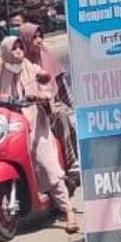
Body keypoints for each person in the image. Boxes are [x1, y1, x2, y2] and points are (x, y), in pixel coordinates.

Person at [0, 37, 79, 234]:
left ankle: (68, 210)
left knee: (45, 162)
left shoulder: (31, 68)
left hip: (35, 124)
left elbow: (47, 89)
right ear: (6, 51)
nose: (18, 51)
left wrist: (43, 96)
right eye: (13, 48)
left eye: (20, 47)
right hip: (9, 124)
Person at [18, 23, 77, 172]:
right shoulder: (18, 64)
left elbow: (62, 88)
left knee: (63, 116)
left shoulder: (47, 56)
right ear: (24, 40)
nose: (39, 40)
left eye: (40, 36)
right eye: (34, 37)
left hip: (51, 108)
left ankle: (72, 162)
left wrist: (75, 109)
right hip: (27, 111)